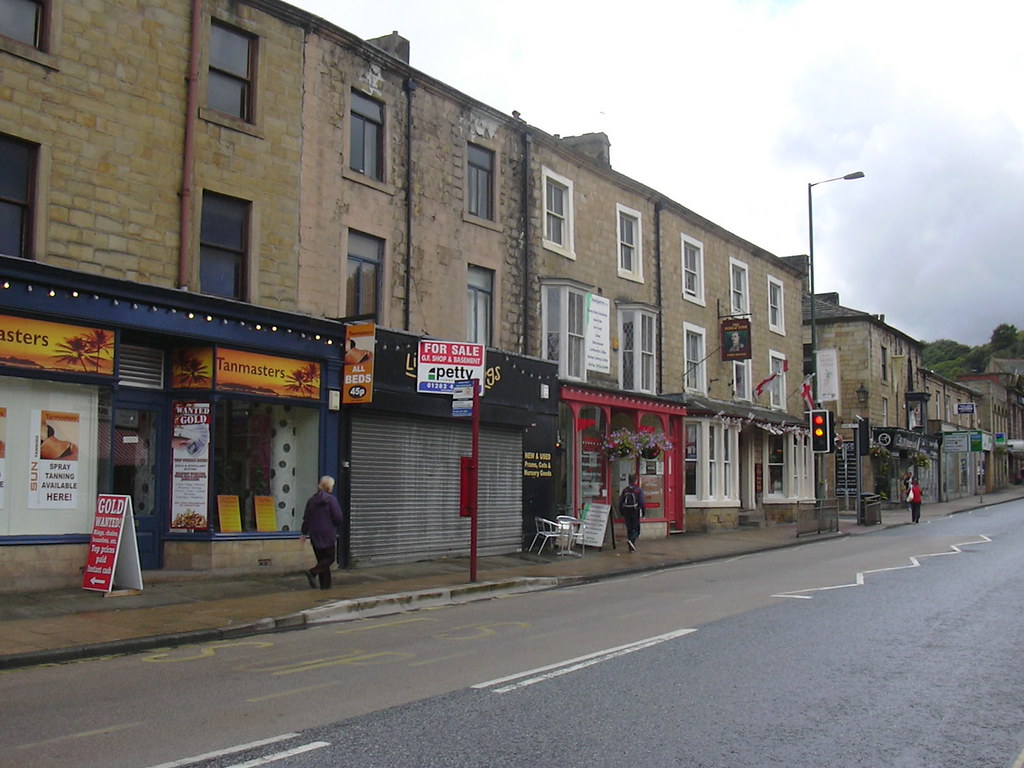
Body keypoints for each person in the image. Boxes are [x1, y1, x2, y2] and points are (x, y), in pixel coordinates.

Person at [301, 475, 344, 589]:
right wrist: (335, 524)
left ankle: (325, 587)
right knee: (330, 558)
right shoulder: (331, 500)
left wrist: (304, 533)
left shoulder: (311, 500)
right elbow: (338, 517)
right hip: (327, 534)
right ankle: (312, 572)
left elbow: (306, 518)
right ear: (329, 486)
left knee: (322, 561)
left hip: (315, 535)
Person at [618, 474, 646, 551]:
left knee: (629, 528)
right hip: (635, 511)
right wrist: (643, 512)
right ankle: (631, 541)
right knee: (637, 530)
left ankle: (631, 546)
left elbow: (621, 502)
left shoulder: (625, 490)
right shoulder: (638, 490)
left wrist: (621, 512)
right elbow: (642, 502)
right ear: (636, 481)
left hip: (627, 511)